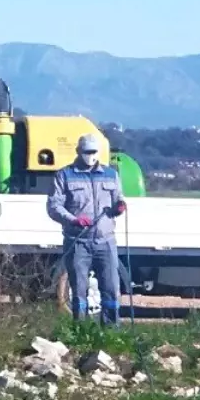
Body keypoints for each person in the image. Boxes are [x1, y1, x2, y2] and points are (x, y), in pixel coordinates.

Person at [47, 134, 127, 325]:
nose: (90, 156)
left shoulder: (110, 175)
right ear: (78, 151)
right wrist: (73, 220)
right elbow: (53, 206)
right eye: (86, 152)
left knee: (111, 287)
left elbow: (119, 199)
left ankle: (111, 331)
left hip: (105, 241)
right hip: (78, 242)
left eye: (93, 152)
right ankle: (80, 331)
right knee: (79, 289)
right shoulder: (64, 175)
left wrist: (120, 207)